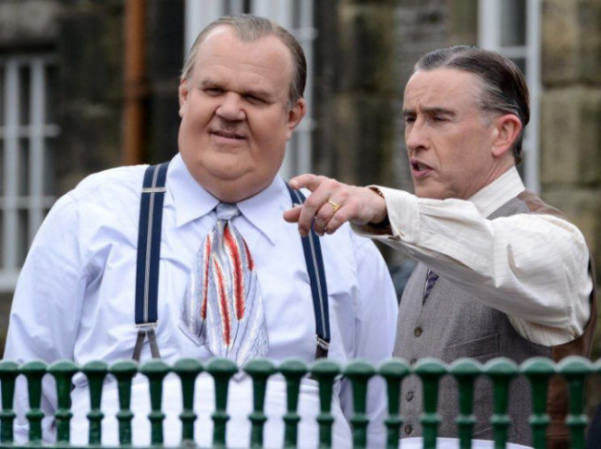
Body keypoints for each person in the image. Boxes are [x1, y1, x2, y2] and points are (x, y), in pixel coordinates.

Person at [3, 15, 398, 449]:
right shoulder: (92, 213)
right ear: (184, 95)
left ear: (293, 116)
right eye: (213, 90)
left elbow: (380, 420)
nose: (229, 111)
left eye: (254, 97)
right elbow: (24, 399)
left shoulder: (343, 243)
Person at [284, 45, 597, 449]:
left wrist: (383, 207)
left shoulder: (554, 240)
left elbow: (490, 249)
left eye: (438, 119)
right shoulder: (428, 244)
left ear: (503, 133)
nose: (415, 139)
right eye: (410, 119)